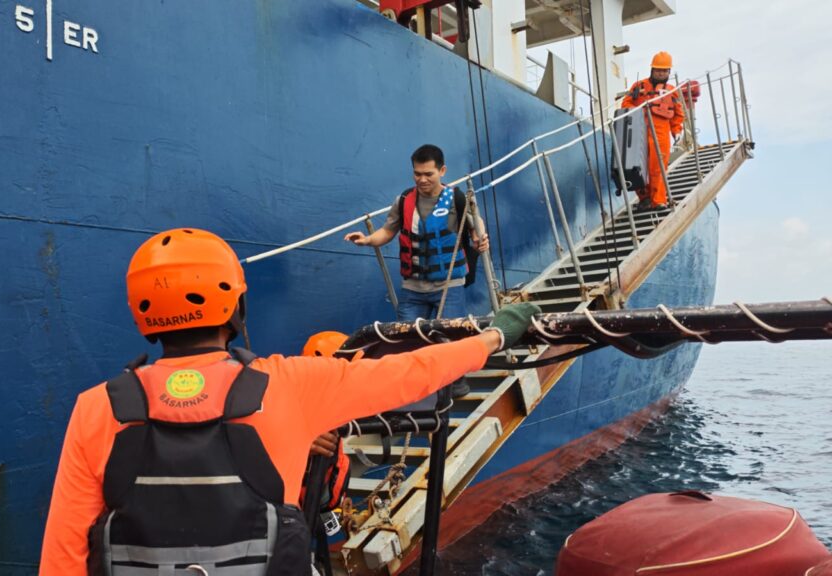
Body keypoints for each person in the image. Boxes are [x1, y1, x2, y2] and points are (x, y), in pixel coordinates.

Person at [39, 228, 538, 576]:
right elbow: (411, 373)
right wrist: (493, 337)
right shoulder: (291, 383)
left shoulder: (97, 407)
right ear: (236, 305)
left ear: (140, 312)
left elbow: (63, 556)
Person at [344, 144, 490, 323]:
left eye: (428, 174)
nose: (422, 179)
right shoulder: (404, 201)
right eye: (417, 174)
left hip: (449, 287)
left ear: (442, 170)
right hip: (413, 290)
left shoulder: (457, 199)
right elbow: (387, 231)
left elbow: (477, 224)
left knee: (448, 342)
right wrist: (367, 240)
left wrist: (479, 238)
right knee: (408, 340)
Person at [622, 51, 685, 211]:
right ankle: (644, 199)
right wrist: (634, 109)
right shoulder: (639, 86)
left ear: (669, 72)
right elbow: (626, 104)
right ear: (652, 69)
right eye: (658, 69)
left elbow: (678, 114)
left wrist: (677, 131)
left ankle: (658, 201)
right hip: (639, 132)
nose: (661, 73)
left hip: (661, 134)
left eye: (664, 70)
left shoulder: (672, 91)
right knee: (637, 167)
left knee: (658, 169)